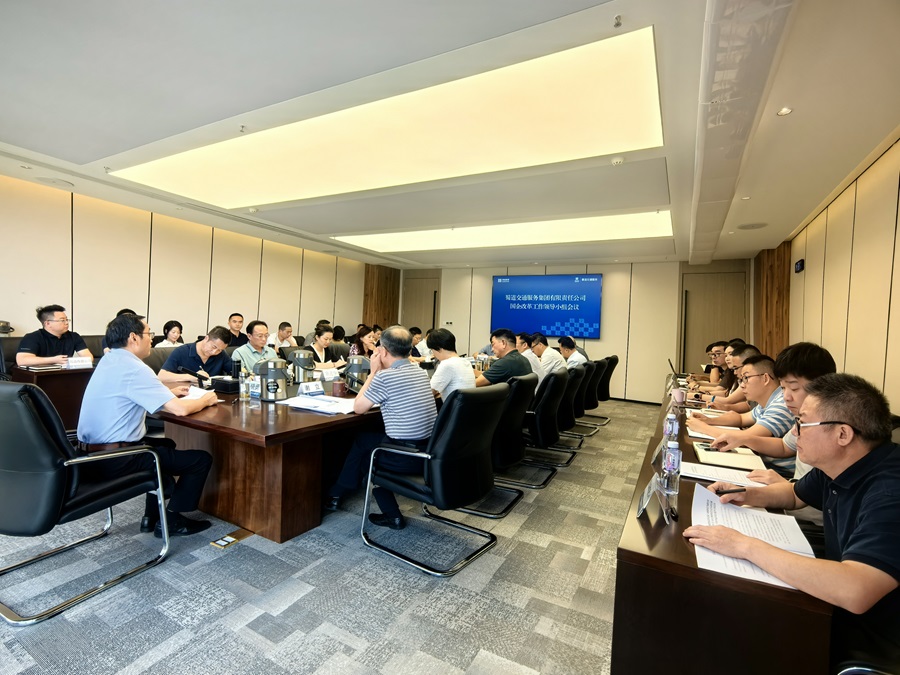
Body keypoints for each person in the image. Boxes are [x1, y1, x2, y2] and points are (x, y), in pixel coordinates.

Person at [684, 374, 900, 669]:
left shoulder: (889, 492)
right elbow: (795, 494)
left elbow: (855, 590)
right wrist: (745, 494)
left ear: (843, 434)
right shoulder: (842, 463)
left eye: (802, 423)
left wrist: (744, 546)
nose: (794, 432)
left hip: (875, 638)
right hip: (840, 603)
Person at [77, 313, 218, 537]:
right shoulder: (135, 368)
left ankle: (150, 517)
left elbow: (129, 395)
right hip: (119, 459)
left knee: (167, 445)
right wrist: (206, 399)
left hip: (90, 455)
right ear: (133, 337)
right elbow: (180, 410)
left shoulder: (109, 360)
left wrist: (168, 394)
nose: (152, 338)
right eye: (149, 333)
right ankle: (172, 521)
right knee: (200, 460)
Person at [324, 326, 437, 529]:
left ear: (383, 351)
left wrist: (374, 372)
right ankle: (338, 491)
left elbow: (359, 408)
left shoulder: (385, 377)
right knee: (367, 437)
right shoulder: (419, 372)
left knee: (362, 445)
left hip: (403, 456)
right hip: (428, 451)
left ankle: (339, 492)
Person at [686, 354, 795, 475]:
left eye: (746, 378)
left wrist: (703, 428)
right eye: (741, 379)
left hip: (777, 473)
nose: (742, 384)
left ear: (765, 378)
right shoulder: (770, 400)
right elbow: (741, 419)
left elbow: (745, 437)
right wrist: (709, 420)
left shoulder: (782, 404)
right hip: (762, 463)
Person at [16, 304, 93, 366]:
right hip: (40, 376)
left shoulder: (74, 336)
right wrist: (54, 360)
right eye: (62, 320)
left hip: (64, 374)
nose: (66, 323)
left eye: (67, 320)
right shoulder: (32, 337)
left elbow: (88, 358)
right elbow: (22, 360)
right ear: (48, 323)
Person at [158, 326, 233, 385]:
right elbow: (161, 376)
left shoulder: (221, 354)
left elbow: (234, 372)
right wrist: (190, 377)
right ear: (206, 338)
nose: (214, 352)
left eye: (219, 350)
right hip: (186, 394)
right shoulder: (181, 351)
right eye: (214, 347)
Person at [426, 328, 475, 399]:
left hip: (453, 406)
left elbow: (428, 392)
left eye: (432, 350)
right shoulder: (466, 362)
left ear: (439, 348)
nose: (433, 354)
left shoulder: (447, 364)